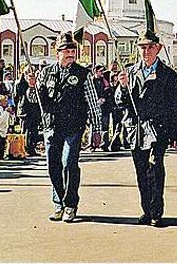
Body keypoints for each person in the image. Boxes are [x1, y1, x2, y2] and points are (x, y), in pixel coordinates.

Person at [28, 31, 102, 223]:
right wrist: (32, 86)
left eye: (72, 50)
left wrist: (97, 129)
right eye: (66, 51)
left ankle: (70, 204)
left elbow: (93, 103)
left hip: (73, 126)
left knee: (69, 163)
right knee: (53, 166)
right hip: (52, 126)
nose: (70, 54)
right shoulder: (46, 72)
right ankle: (59, 203)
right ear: (57, 52)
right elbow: (35, 100)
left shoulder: (82, 74)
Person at [115, 28, 177, 227]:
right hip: (136, 130)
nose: (146, 51)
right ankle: (146, 209)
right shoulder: (129, 72)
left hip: (158, 129)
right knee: (141, 171)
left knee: (155, 168)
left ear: (158, 48)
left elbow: (176, 105)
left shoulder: (168, 75)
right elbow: (121, 103)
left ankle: (156, 211)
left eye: (150, 47)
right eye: (142, 47)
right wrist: (122, 87)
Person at [14, 66, 42, 157]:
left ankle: (32, 147)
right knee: (26, 131)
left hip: (35, 111)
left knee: (34, 131)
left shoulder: (37, 84)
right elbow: (17, 96)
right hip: (25, 111)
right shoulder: (21, 84)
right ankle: (25, 148)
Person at [92, 65, 112, 151]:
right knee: (94, 126)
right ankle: (93, 144)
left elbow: (108, 92)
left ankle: (104, 144)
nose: (102, 73)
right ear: (95, 71)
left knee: (105, 125)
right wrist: (96, 100)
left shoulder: (105, 81)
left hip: (104, 106)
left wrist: (104, 98)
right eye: (100, 71)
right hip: (94, 106)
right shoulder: (91, 81)